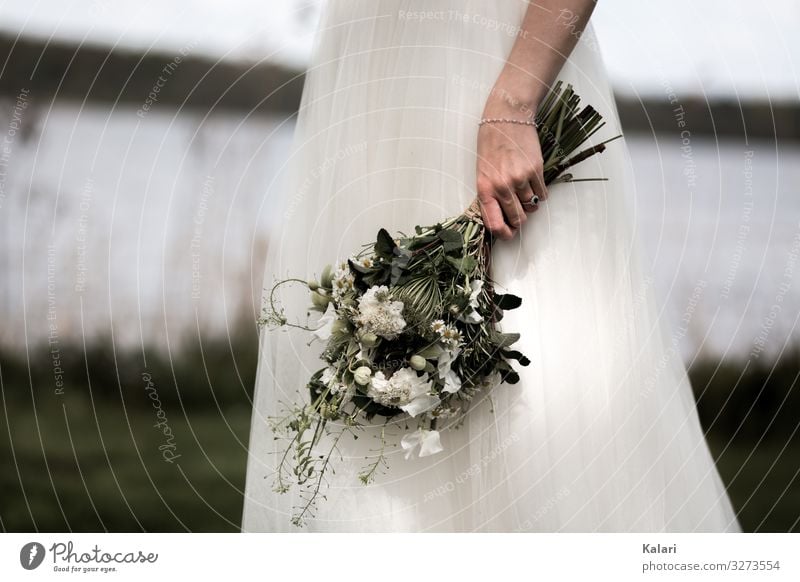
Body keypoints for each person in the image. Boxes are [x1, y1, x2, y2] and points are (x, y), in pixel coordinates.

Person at [242, 0, 742, 532]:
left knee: (544, 377)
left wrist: (512, 103)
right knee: (364, 379)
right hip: (370, 76)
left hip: (490, 58)